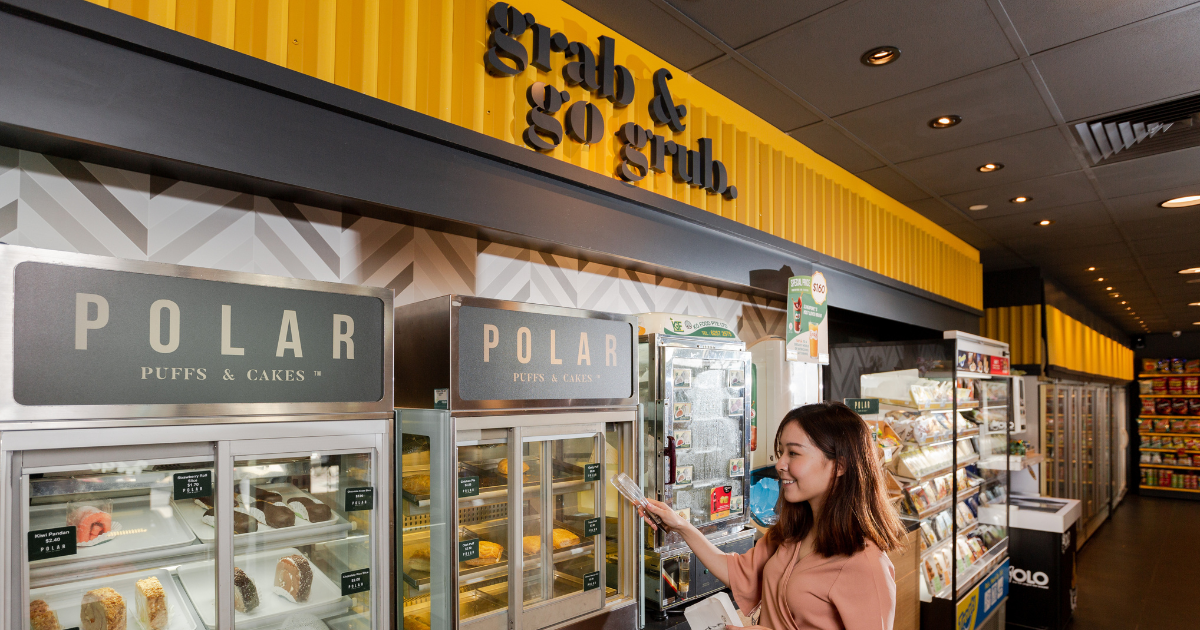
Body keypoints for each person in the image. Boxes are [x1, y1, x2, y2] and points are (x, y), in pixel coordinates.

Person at [639, 402, 906, 630]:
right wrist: (680, 526)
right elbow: (737, 572)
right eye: (781, 452)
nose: (779, 464)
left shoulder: (866, 563)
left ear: (840, 466)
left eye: (793, 453)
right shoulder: (792, 533)